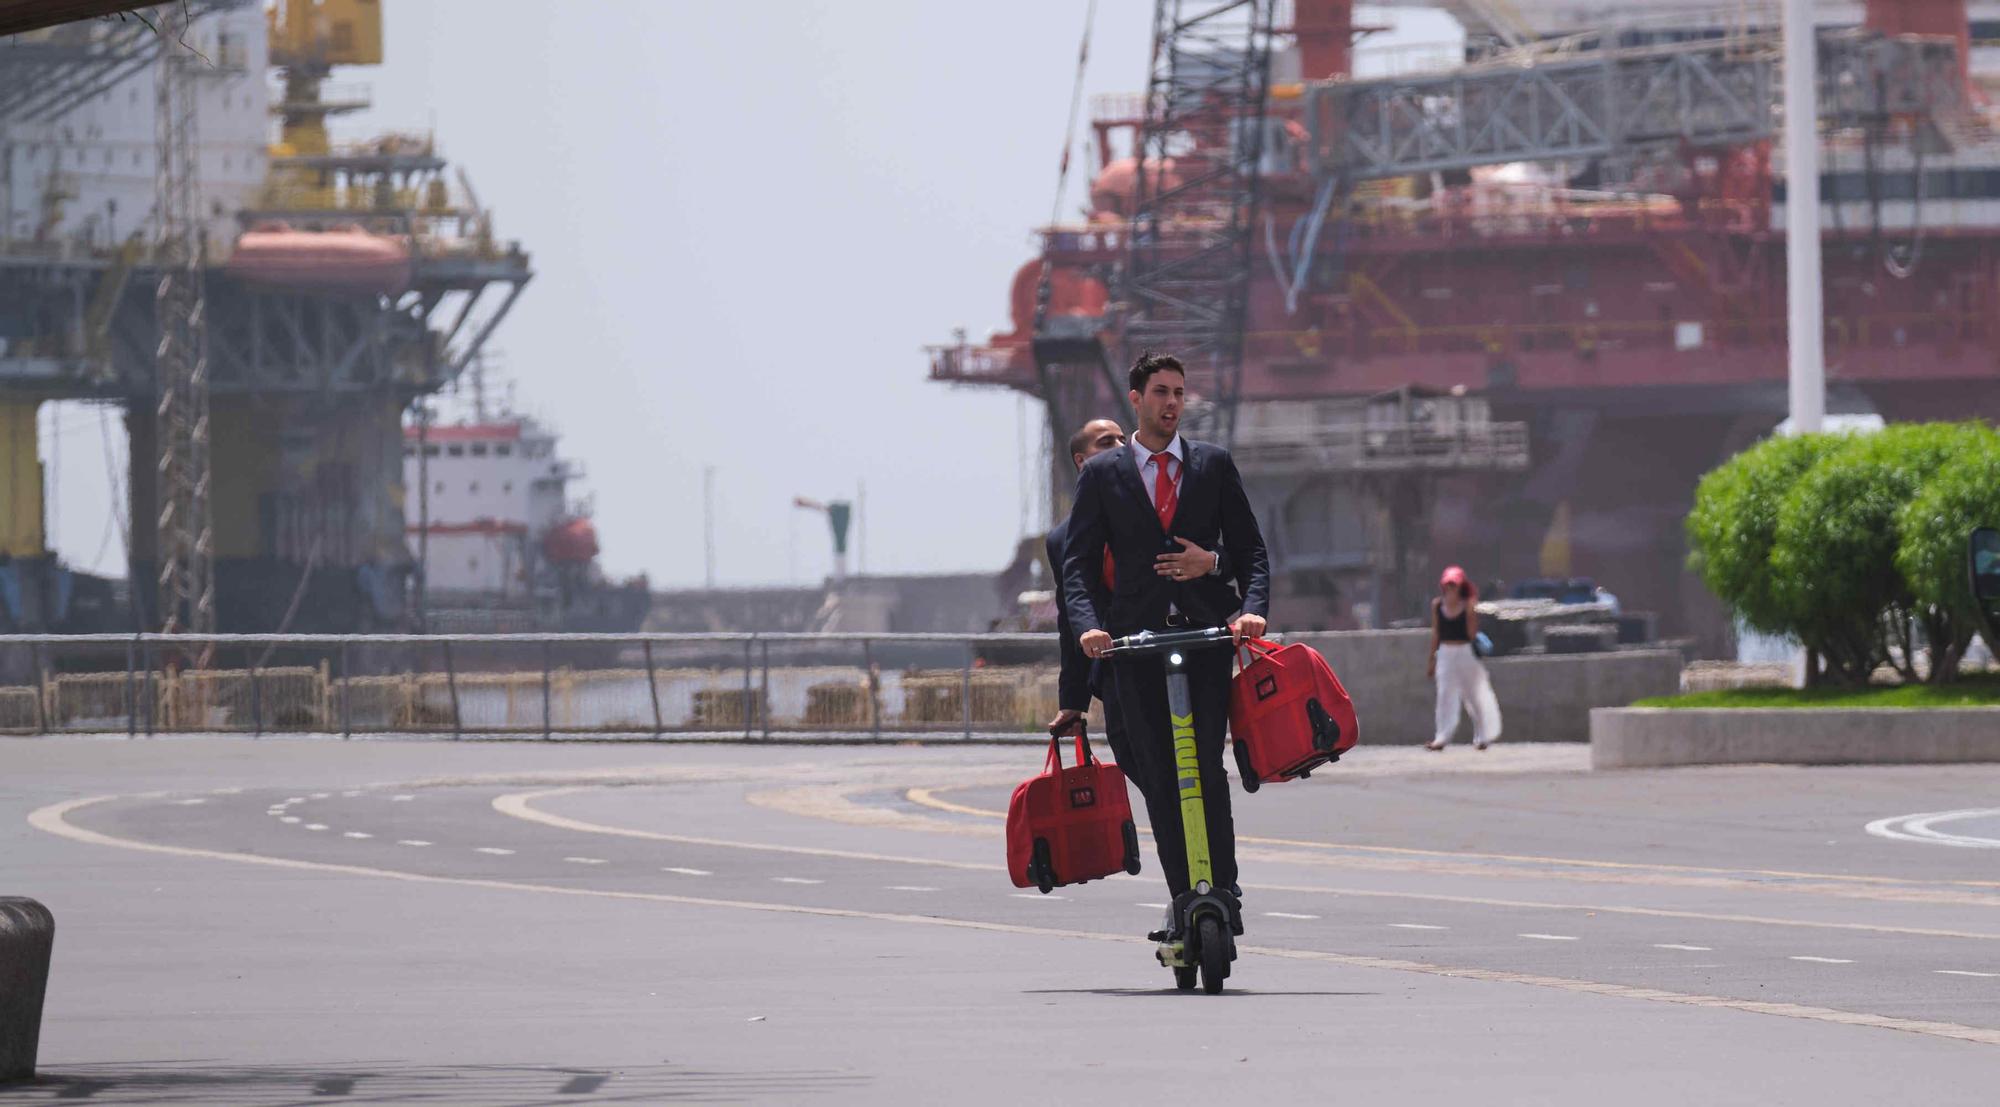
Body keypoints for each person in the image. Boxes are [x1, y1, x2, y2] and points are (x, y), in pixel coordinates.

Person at [1061, 352, 1271, 932]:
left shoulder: (1213, 465)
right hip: (1134, 645)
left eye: (1179, 392)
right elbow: (1076, 566)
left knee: (1204, 766)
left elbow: (1251, 553)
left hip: (1205, 641)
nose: (1172, 403)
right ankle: (1185, 898)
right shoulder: (1103, 475)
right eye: (1160, 392)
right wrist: (1089, 629)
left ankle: (1223, 892)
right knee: (1159, 773)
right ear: (1136, 398)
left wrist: (1237, 595)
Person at [1047, 418, 1235, 772]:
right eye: (1106, 442)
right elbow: (1070, 614)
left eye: (1123, 439)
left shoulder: (1157, 514)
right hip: (1118, 664)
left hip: (1178, 646)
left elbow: (1232, 554)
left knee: (1203, 768)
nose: (1120, 446)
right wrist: (1073, 701)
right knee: (1139, 763)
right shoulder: (1062, 540)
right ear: (1081, 462)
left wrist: (1211, 563)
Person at [1427, 565, 1502, 751]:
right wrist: (1431, 659)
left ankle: (1483, 735)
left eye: (1454, 585)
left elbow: (1470, 634)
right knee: (1445, 695)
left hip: (1465, 652)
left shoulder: (1467, 604)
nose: (1451, 589)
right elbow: (1436, 633)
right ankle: (1442, 737)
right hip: (1446, 652)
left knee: (1474, 695)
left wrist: (1470, 611)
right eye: (1448, 585)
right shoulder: (1437, 605)